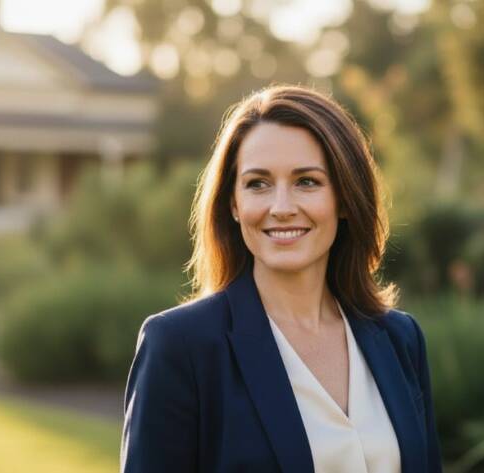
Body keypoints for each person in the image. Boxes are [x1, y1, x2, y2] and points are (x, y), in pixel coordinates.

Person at [121, 85, 442, 473]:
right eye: (258, 183)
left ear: (344, 198)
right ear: (234, 203)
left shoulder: (400, 339)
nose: (282, 207)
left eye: (307, 181)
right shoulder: (180, 346)